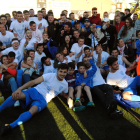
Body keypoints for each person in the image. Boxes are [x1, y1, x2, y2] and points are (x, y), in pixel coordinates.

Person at [0, 63, 69, 135]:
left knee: (33, 111)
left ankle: (10, 126)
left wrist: (71, 97)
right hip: (35, 91)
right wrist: (19, 89)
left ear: (67, 72)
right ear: (57, 70)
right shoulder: (50, 75)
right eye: (61, 71)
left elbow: (65, 95)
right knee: (16, 96)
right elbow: (33, 82)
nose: (62, 74)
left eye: (64, 72)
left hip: (43, 100)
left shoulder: (65, 85)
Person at [83, 54, 123, 119]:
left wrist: (99, 54)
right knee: (100, 93)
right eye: (85, 61)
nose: (87, 61)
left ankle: (110, 109)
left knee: (109, 87)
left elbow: (99, 60)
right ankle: (113, 109)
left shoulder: (96, 66)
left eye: (88, 60)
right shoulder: (84, 71)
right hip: (94, 86)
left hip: (102, 84)